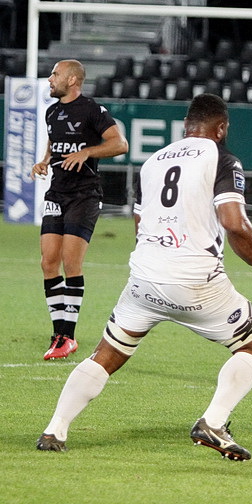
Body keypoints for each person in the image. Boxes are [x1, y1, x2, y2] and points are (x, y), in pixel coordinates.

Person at [36, 94, 252, 461]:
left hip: (144, 279)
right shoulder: (222, 158)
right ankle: (213, 423)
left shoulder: (153, 161)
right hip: (196, 281)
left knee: (106, 354)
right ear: (221, 128)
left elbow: (139, 221)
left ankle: (55, 429)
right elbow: (234, 223)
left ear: (185, 127)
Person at [31, 59, 129, 360]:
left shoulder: (92, 110)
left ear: (73, 80)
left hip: (84, 194)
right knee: (49, 262)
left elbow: (120, 144)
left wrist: (87, 151)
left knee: (70, 263)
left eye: (55, 74)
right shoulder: (52, 111)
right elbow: (54, 139)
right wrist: (45, 160)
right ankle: (59, 331)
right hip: (56, 191)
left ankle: (67, 337)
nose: (49, 79)